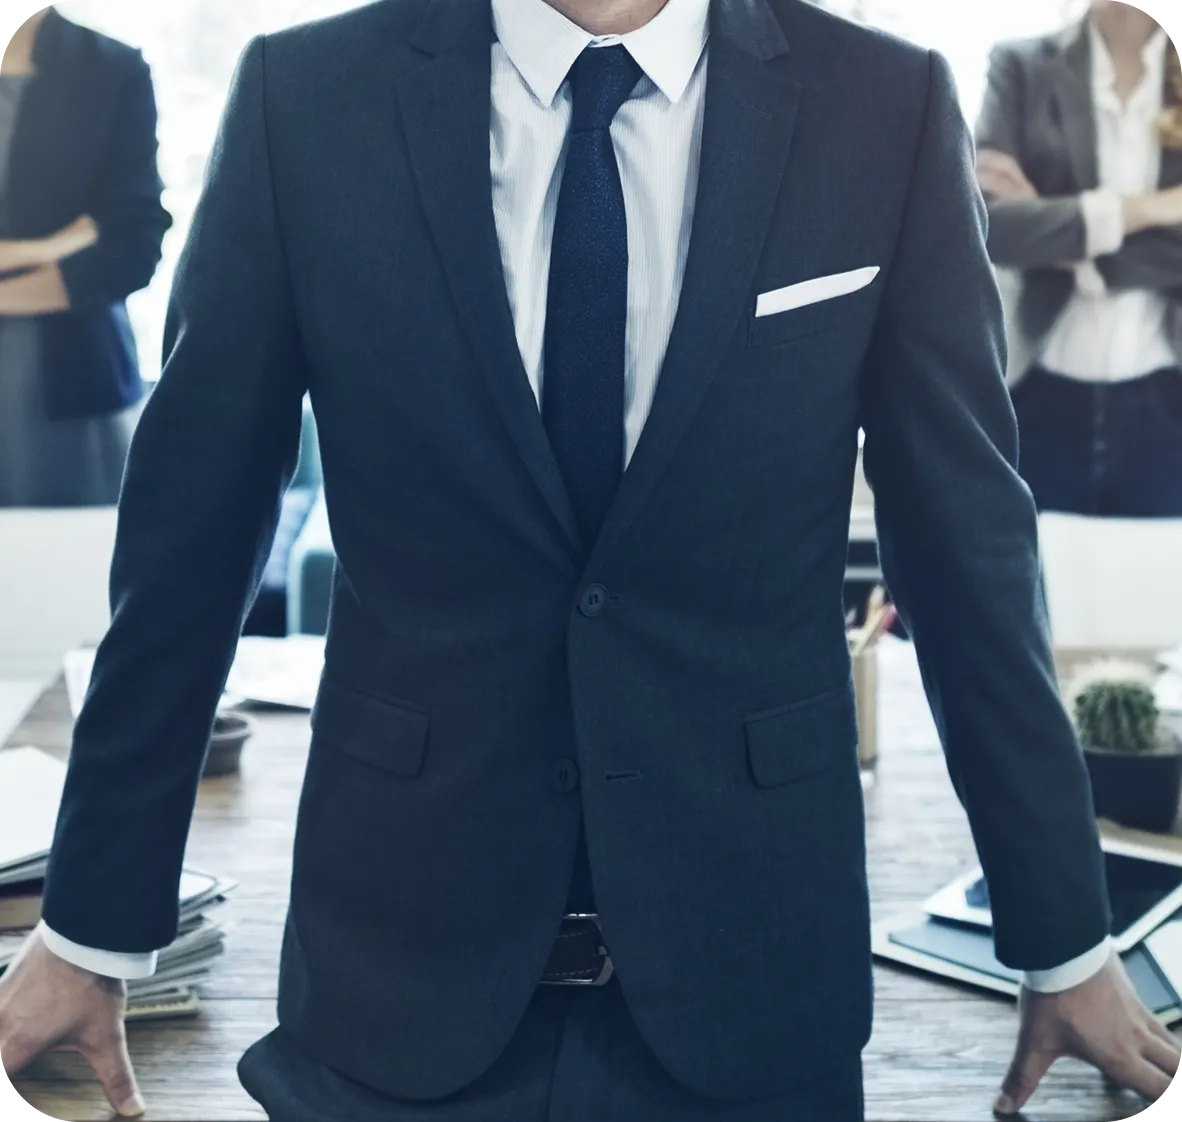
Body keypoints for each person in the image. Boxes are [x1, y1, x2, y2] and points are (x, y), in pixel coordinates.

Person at [1, 0, 1179, 1119]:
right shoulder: (303, 98)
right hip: (393, 982)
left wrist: (1062, 933)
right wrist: (92, 921)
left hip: (754, 982)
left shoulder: (887, 102)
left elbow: (966, 548)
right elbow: (188, 542)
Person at [976, 0, 1182, 516]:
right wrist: (1155, 209)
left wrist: (1054, 228)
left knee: (1154, 593)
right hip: (1039, 389)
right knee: (1038, 589)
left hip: (1167, 398)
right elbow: (989, 228)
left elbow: (1026, 231)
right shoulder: (1020, 67)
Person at [0, 1, 171, 507]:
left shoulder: (110, 68)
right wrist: (49, 247)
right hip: (56, 323)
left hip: (66, 387)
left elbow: (133, 247)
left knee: (61, 573)